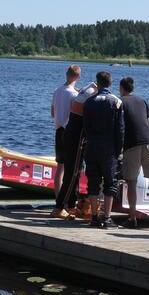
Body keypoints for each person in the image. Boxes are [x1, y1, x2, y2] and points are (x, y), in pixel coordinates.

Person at [119, 77, 149, 231]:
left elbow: (119, 127)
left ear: (121, 88)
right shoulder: (142, 101)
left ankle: (132, 218)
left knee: (131, 181)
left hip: (132, 145)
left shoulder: (120, 102)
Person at [83, 71, 124, 229]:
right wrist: (118, 150)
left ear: (97, 83)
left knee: (92, 182)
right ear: (110, 83)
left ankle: (94, 216)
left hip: (92, 145)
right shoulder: (116, 102)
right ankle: (106, 218)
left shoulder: (89, 102)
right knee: (110, 182)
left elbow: (85, 126)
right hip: (108, 148)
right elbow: (120, 130)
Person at [53, 81, 99, 220]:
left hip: (67, 134)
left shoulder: (84, 92)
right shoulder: (91, 97)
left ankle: (71, 205)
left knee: (75, 173)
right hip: (76, 139)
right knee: (72, 174)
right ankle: (59, 207)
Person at [50, 65, 80, 200]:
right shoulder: (75, 95)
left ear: (66, 74)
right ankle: (68, 200)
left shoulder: (57, 90)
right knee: (70, 169)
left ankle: (58, 199)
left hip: (58, 130)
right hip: (69, 132)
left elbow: (52, 112)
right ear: (78, 77)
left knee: (60, 168)